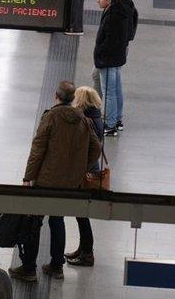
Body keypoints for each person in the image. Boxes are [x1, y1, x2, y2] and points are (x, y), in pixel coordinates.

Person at [10, 81, 102, 282]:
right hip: (70, 183)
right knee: (57, 220)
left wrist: (28, 177)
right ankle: (56, 266)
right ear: (72, 98)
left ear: (56, 96)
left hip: (46, 181)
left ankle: (28, 268)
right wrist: (81, 168)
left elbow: (38, 149)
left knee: (34, 222)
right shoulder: (83, 120)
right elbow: (96, 147)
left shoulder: (50, 117)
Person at [64, 86, 103, 267]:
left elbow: (88, 147)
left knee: (81, 215)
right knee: (81, 215)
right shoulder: (96, 117)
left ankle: (87, 253)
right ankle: (83, 248)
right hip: (90, 169)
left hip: (85, 172)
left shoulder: (87, 120)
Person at [94, 0, 132, 137]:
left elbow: (108, 40)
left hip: (108, 60)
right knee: (116, 90)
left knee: (108, 92)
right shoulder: (120, 12)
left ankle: (109, 125)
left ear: (109, 0)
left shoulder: (111, 16)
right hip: (117, 58)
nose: (98, 0)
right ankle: (117, 119)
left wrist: (100, 54)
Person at [92, 0, 138, 101]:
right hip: (114, 50)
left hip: (112, 52)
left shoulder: (120, 9)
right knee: (98, 77)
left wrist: (124, 41)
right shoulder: (114, 6)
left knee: (109, 88)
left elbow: (115, 34)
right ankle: (97, 105)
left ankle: (97, 106)